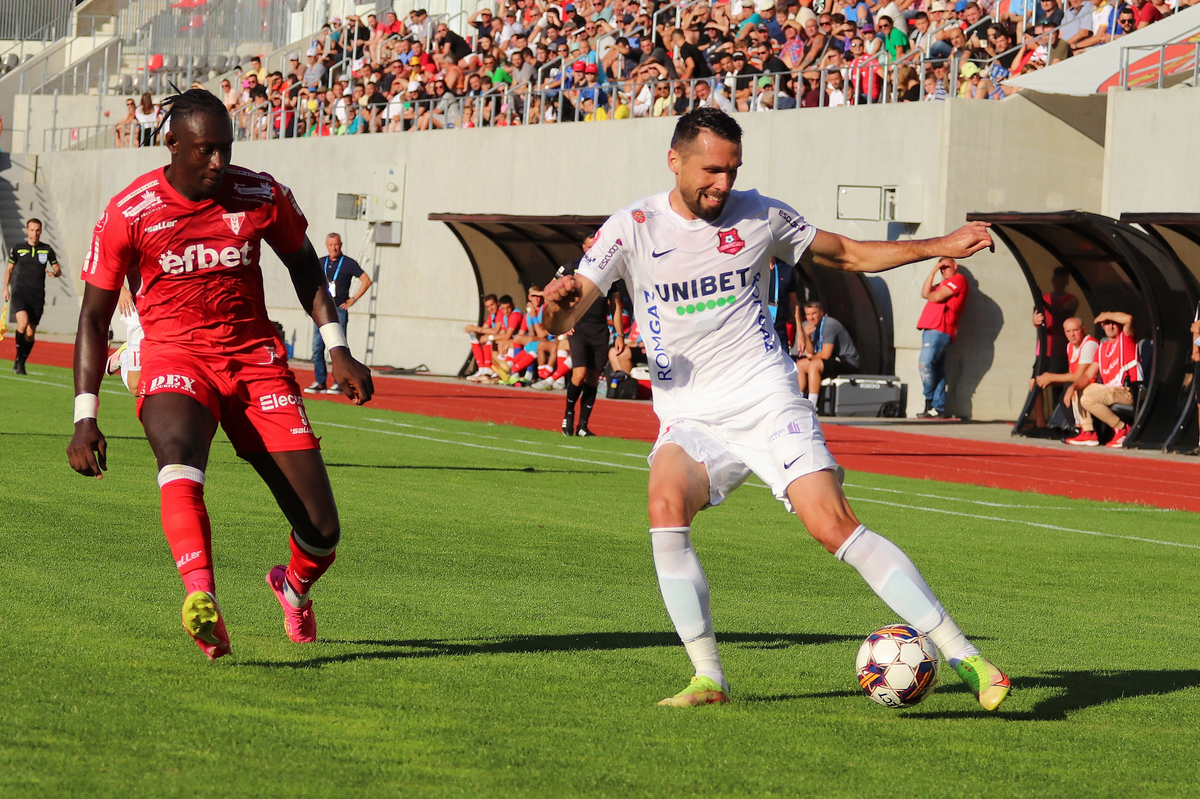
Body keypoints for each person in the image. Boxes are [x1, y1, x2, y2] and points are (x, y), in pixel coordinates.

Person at [542, 109, 1009, 711]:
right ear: (675, 160)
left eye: (733, 171)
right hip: (691, 417)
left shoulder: (763, 214)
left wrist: (938, 246)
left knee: (830, 524)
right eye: (711, 170)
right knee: (664, 504)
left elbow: (845, 254)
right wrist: (554, 307)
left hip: (766, 399)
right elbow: (566, 313)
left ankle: (966, 658)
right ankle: (709, 677)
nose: (723, 184)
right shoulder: (631, 226)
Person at [67, 88, 375, 661]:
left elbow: (305, 267)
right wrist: (85, 417)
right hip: (175, 358)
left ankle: (293, 586)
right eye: (205, 150)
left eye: (226, 149)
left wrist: (338, 348)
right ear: (173, 144)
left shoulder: (260, 193)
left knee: (323, 530)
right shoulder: (129, 212)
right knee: (178, 455)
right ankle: (201, 599)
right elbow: (92, 315)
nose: (218, 162)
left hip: (256, 363)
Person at [555, 234, 624, 436]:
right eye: (589, 246)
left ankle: (583, 425)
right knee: (580, 373)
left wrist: (620, 335)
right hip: (578, 327)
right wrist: (563, 321)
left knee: (593, 378)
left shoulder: (610, 273)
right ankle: (568, 415)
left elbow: (617, 307)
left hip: (600, 329)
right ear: (583, 247)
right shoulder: (572, 268)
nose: (593, 249)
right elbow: (552, 294)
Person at [305, 233, 371, 394]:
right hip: (321, 310)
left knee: (338, 347)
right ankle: (320, 382)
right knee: (317, 346)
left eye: (337, 245)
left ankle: (339, 382)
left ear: (340, 245)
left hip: (339, 310)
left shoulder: (348, 263)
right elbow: (307, 280)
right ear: (327, 246)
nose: (334, 248)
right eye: (331, 245)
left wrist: (353, 299)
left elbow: (366, 280)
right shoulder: (321, 262)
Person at [1064, 311, 1142, 448]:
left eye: (1113, 323)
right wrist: (1073, 387)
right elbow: (1088, 375)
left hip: (1127, 390)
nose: (1110, 327)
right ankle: (1088, 432)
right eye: (1106, 324)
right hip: (1109, 389)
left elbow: (1129, 319)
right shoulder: (1102, 347)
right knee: (1080, 389)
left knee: (1088, 399)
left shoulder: (1126, 339)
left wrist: (1106, 315)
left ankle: (1122, 428)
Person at [4, 218, 61, 374]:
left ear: (41, 231)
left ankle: (22, 360)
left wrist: (54, 274)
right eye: (32, 230)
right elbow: (9, 269)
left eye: (37, 230)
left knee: (30, 333)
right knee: (22, 323)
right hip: (21, 292)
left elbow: (58, 269)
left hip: (37, 295)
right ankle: (18, 359)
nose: (35, 233)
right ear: (27, 230)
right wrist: (5, 289)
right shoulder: (18, 248)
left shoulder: (47, 249)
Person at [916, 256, 968, 418]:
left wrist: (931, 295)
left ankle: (930, 400)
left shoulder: (959, 279)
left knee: (924, 365)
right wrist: (933, 270)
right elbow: (924, 292)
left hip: (941, 329)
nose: (943, 270)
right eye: (941, 268)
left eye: (946, 266)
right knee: (936, 370)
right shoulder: (940, 284)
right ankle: (937, 407)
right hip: (931, 328)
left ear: (955, 265)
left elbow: (935, 297)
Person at [1034, 316, 1098, 433]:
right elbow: (1071, 373)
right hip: (1080, 382)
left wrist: (1051, 377)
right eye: (1068, 331)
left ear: (1083, 330)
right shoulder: (1070, 346)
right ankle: (1042, 425)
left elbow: (1078, 376)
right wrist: (1046, 380)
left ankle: (1081, 429)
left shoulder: (1089, 344)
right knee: (1036, 383)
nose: (1072, 334)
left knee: (1069, 388)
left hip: (1094, 383)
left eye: (1075, 330)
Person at [795, 301, 860, 406]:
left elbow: (826, 354)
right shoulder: (810, 326)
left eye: (813, 314)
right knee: (801, 364)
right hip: (828, 360)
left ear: (821, 313)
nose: (811, 318)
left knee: (814, 365)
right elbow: (810, 352)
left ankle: (812, 404)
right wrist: (806, 336)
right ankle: (798, 400)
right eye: (808, 314)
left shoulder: (829, 324)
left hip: (846, 361)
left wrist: (812, 357)